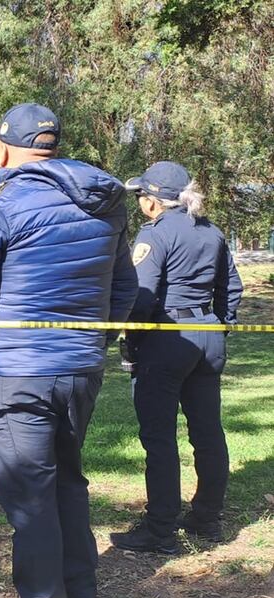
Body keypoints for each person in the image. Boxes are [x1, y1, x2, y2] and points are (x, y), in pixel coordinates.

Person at [0, 103, 138, 598]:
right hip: (79, 371)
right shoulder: (105, 201)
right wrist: (93, 345)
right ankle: (81, 590)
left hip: (17, 373)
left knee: (31, 498)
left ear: (3, 148)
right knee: (67, 480)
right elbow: (125, 289)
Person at [110, 162, 243, 554]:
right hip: (207, 336)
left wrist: (132, 338)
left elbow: (142, 296)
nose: (139, 204)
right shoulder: (213, 231)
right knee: (207, 431)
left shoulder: (156, 234)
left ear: (154, 201)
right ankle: (207, 518)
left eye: (141, 197)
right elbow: (230, 287)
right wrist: (220, 324)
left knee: (159, 437)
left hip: (167, 340)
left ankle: (160, 529)